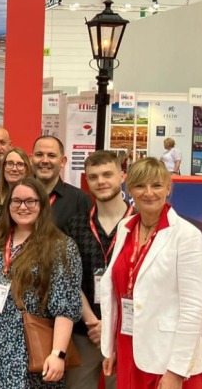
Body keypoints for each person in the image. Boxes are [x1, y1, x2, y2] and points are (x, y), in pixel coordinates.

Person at [0, 178, 83, 388]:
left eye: (31, 201)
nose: (23, 207)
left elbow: (65, 308)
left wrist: (58, 353)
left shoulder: (61, 247)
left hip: (22, 347)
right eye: (17, 201)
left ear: (42, 204)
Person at [100, 158, 202, 389]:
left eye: (157, 185)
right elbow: (120, 294)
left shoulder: (187, 236)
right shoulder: (125, 227)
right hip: (129, 346)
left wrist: (176, 371)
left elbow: (194, 310)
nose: (148, 193)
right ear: (129, 190)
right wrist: (111, 347)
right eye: (140, 186)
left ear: (168, 189)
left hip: (168, 357)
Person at [63, 151, 135, 389]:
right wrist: (95, 323)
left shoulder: (140, 222)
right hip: (85, 333)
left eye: (107, 174)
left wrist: (112, 325)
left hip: (128, 334)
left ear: (122, 176)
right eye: (94, 177)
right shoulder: (74, 225)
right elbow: (69, 279)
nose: (101, 181)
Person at [31, 136, 93, 230]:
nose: (44, 160)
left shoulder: (79, 200)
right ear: (31, 159)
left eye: (51, 155)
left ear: (62, 161)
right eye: (39, 154)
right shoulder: (18, 197)